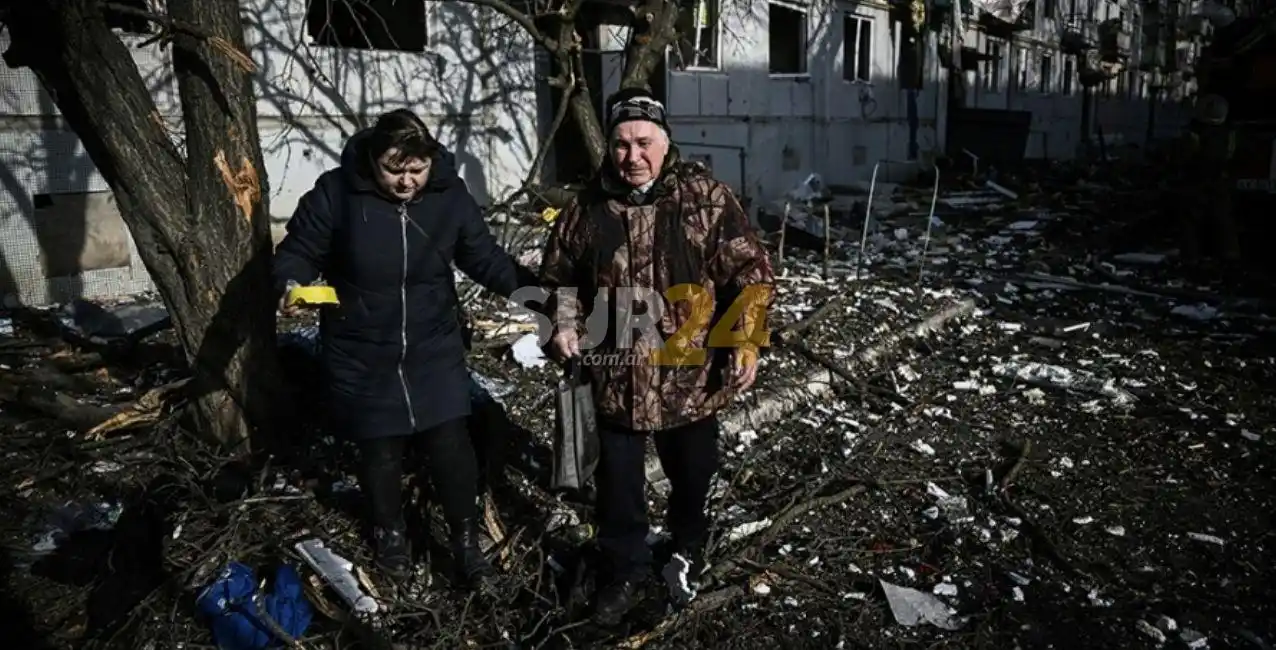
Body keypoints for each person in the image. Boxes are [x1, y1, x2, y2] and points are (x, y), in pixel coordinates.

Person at [538, 88, 775, 624]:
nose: (632, 157)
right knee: (617, 486)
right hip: (613, 376)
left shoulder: (705, 199)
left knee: (694, 474)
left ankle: (686, 549)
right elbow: (558, 280)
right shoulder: (585, 207)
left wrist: (743, 338)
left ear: (665, 143)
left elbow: (752, 272)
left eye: (643, 142)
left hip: (688, 375)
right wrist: (565, 324)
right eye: (621, 144)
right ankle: (626, 569)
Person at [272, 109, 536, 589]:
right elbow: (299, 250)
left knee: (450, 443)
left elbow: (485, 259)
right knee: (380, 449)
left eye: (416, 170)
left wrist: (538, 293)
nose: (406, 182)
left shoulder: (449, 197)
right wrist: (290, 282)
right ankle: (390, 537)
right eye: (395, 170)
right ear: (373, 159)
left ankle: (466, 544)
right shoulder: (338, 194)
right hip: (361, 349)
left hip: (433, 344)